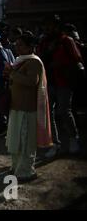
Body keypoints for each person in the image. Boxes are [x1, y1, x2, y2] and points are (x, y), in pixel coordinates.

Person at [3, 34, 52, 182]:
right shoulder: (20, 61)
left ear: (30, 47)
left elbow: (32, 81)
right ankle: (16, 168)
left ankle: (26, 172)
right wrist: (10, 73)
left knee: (25, 142)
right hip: (17, 107)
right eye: (16, 44)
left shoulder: (34, 62)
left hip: (27, 109)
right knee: (16, 141)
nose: (17, 47)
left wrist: (12, 73)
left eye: (21, 45)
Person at [38, 15, 84, 157]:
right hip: (49, 82)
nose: (47, 28)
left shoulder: (67, 41)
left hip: (64, 81)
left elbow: (77, 60)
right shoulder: (43, 42)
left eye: (50, 24)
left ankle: (73, 139)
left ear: (57, 26)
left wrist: (61, 64)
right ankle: (55, 144)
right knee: (48, 114)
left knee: (64, 111)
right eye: (45, 25)